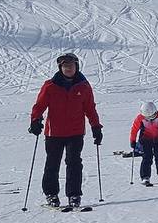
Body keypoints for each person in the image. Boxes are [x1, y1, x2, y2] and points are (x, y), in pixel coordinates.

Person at [28, 53, 103, 209]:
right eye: (65, 66)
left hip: (75, 132)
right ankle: (51, 194)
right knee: (52, 163)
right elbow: (39, 106)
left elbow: (90, 108)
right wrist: (35, 120)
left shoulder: (84, 86)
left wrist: (96, 127)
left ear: (77, 67)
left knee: (74, 163)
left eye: (71, 66)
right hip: (54, 132)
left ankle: (74, 195)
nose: (68, 69)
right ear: (60, 68)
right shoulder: (50, 86)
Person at [129, 100, 158, 186]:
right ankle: (145, 177)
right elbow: (134, 129)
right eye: (147, 117)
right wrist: (132, 140)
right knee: (147, 157)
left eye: (152, 116)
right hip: (145, 140)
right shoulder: (140, 118)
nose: (150, 118)